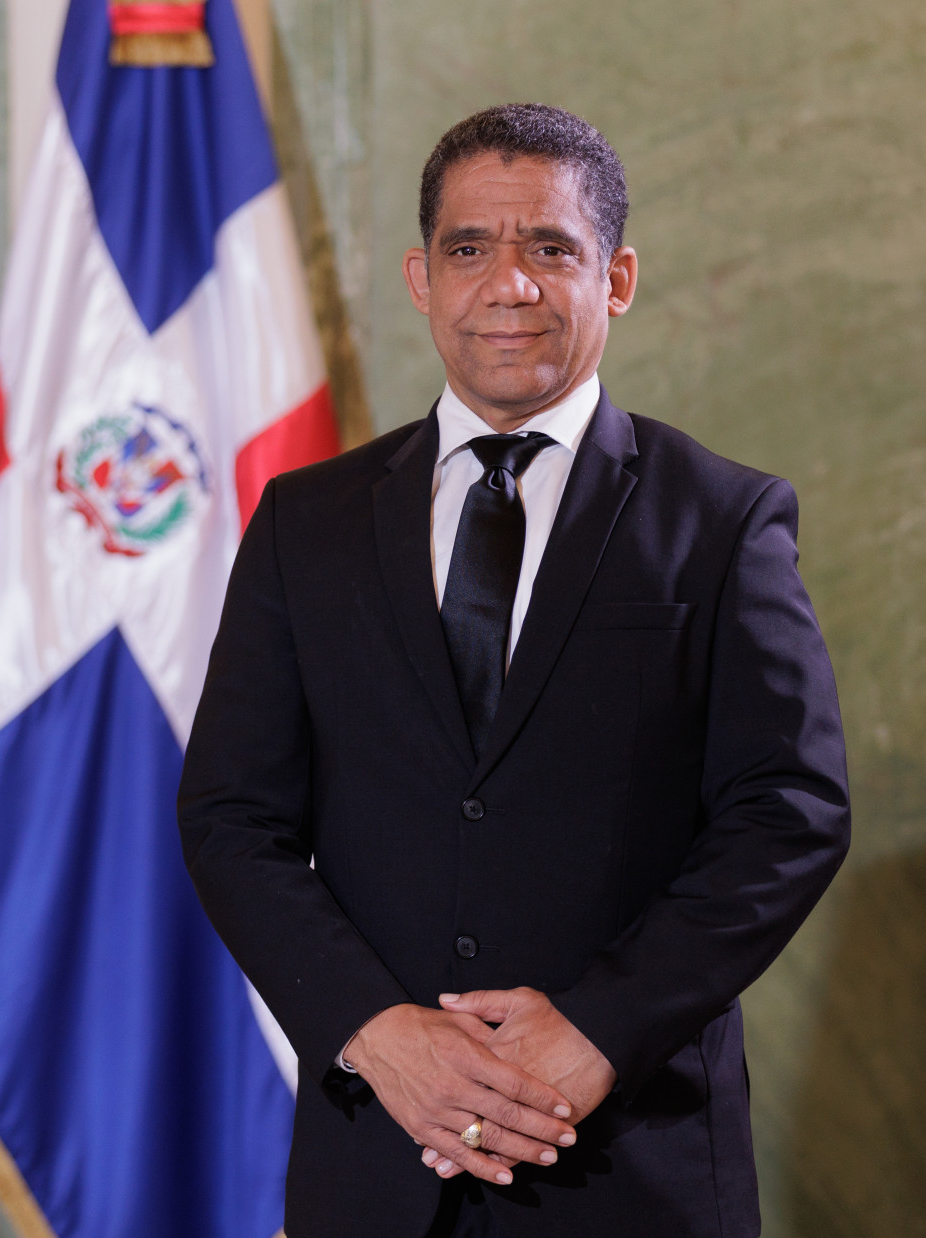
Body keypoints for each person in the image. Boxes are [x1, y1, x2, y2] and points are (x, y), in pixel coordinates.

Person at [177, 103, 849, 1238]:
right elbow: (232, 815)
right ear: (421, 279)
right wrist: (373, 1031)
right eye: (469, 248)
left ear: (616, 278)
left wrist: (599, 1028)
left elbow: (791, 810)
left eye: (550, 247)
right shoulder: (306, 522)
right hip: (377, 1163)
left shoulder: (724, 520)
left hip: (633, 1167)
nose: (510, 285)